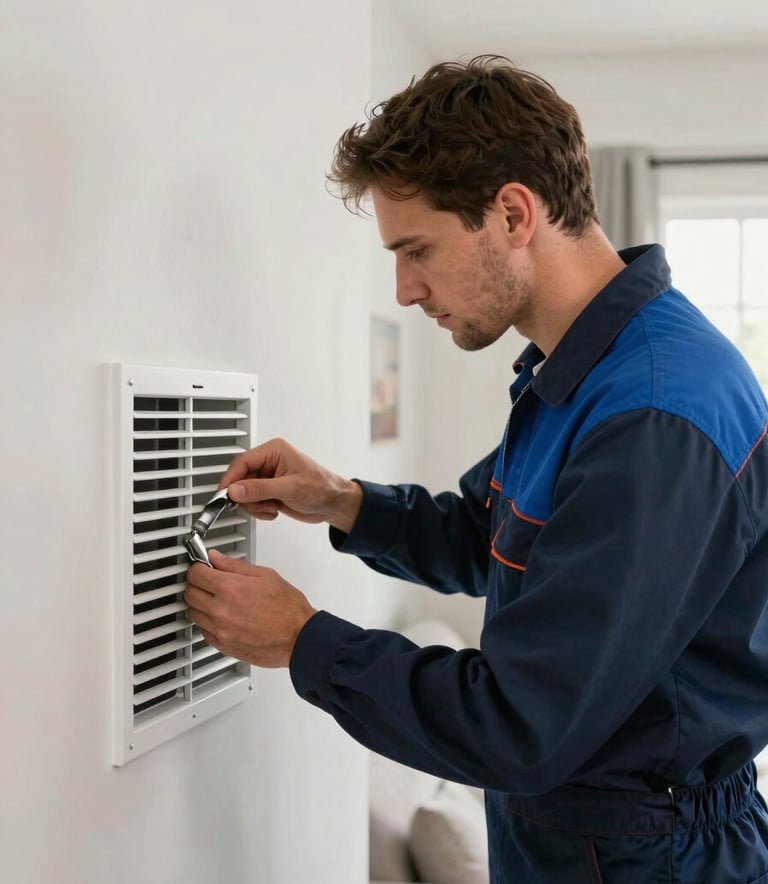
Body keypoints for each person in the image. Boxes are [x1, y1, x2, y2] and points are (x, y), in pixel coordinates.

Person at [185, 56, 768, 882]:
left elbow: (521, 724)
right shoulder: (577, 376)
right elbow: (490, 536)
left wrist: (303, 639)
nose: (405, 289)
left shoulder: (651, 415)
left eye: (417, 249)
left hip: (647, 859)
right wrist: (342, 501)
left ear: (513, 213)